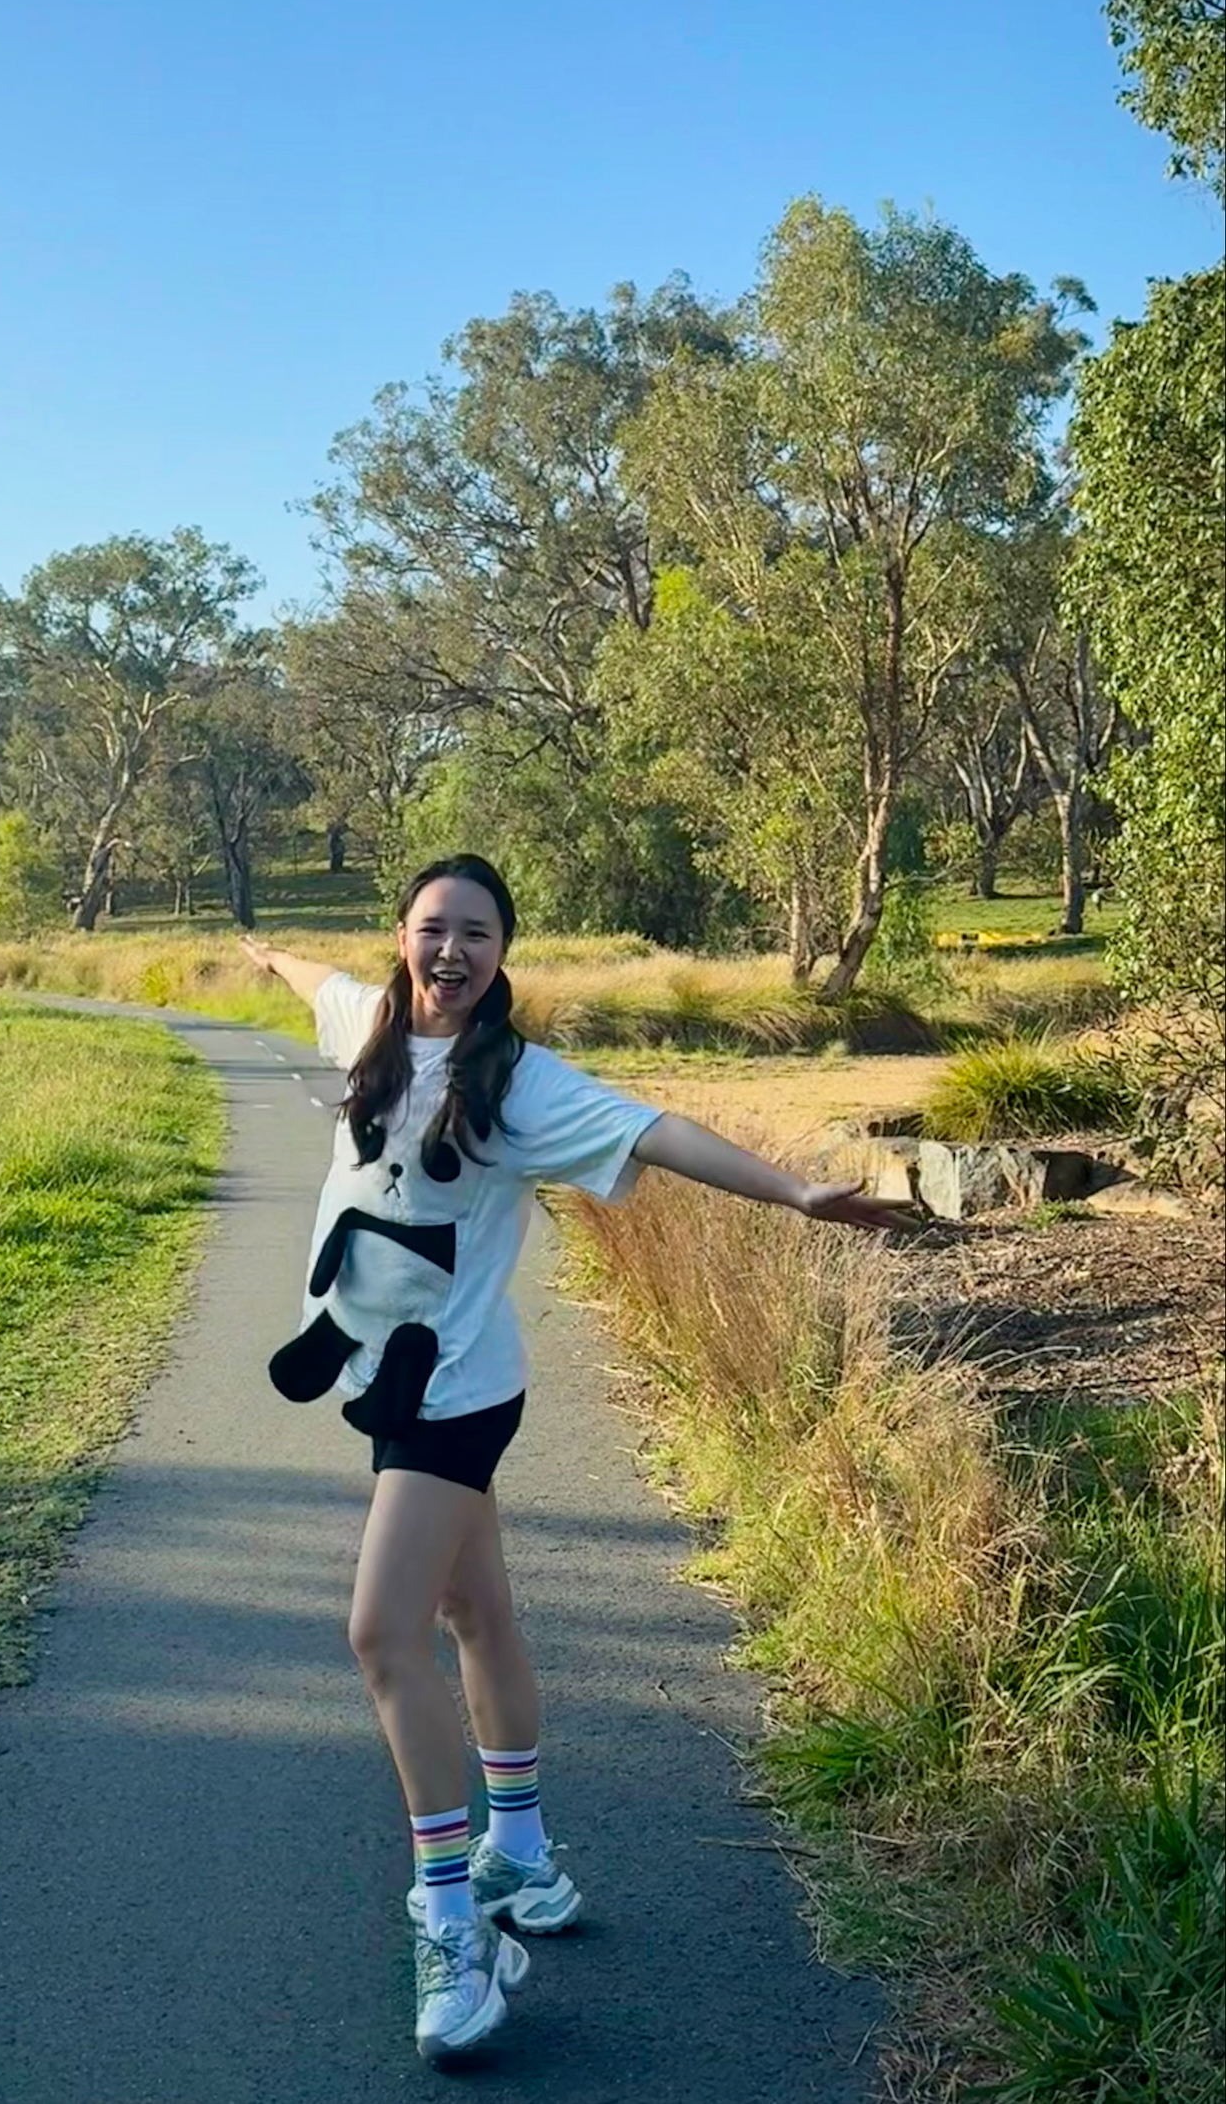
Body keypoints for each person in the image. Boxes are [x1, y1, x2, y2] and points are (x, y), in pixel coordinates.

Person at [240, 854, 915, 2066]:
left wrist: (794, 1194)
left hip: (452, 1394)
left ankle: (455, 1925)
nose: (451, 950)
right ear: (402, 933)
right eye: (432, 927)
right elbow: (313, 978)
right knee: (473, 1611)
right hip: (386, 1376)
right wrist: (267, 954)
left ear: (504, 951)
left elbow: (654, 1129)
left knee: (381, 1634)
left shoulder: (518, 1079)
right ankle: (522, 1852)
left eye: (477, 933)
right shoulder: (369, 1025)